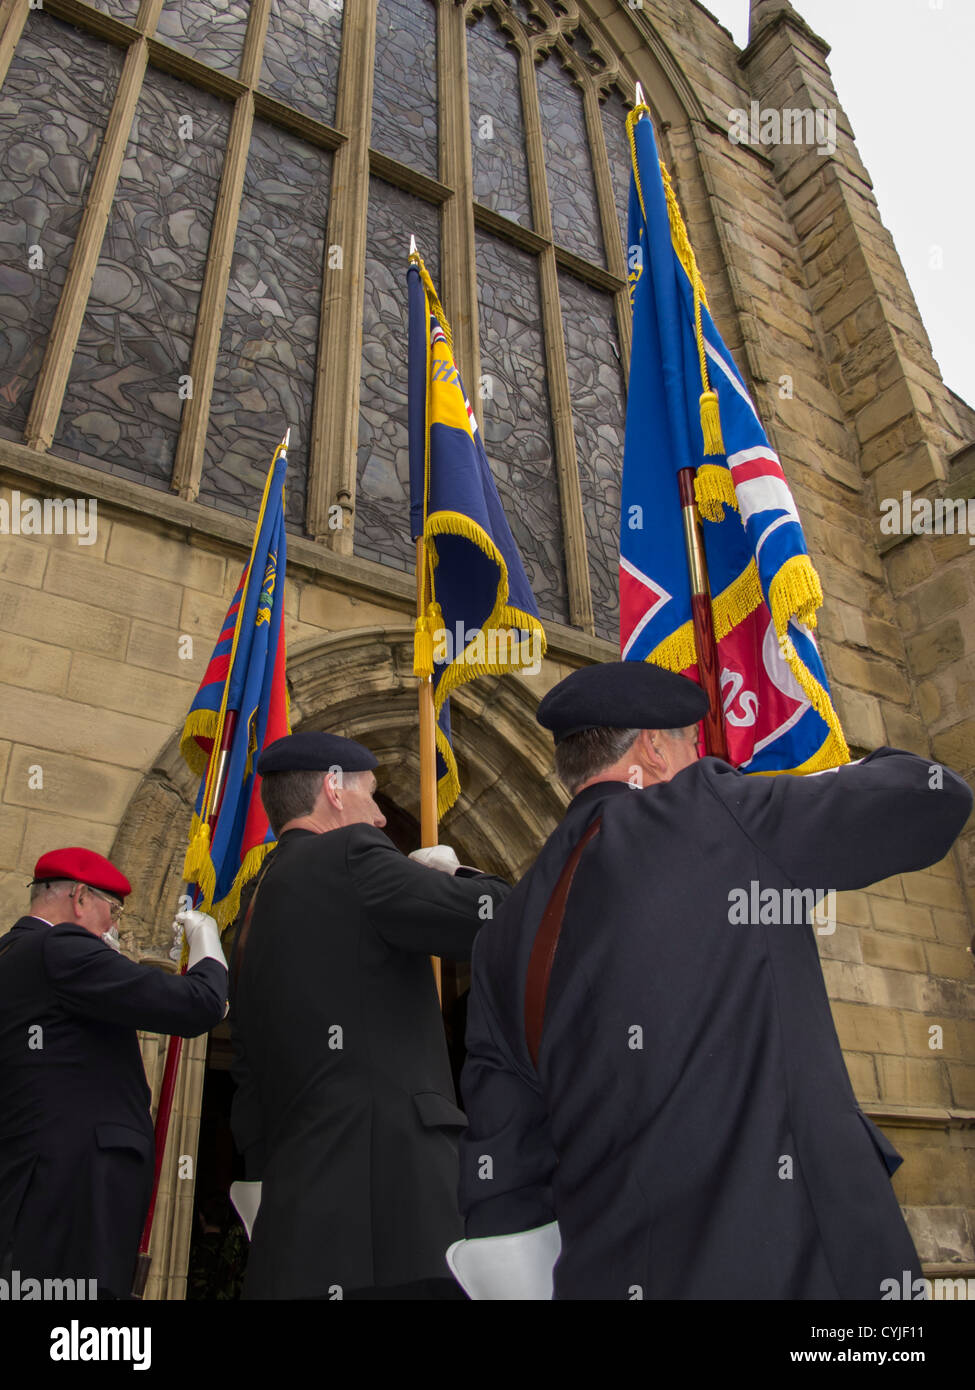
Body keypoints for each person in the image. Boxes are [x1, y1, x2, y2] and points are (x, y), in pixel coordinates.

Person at [453, 662, 974, 1300]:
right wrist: (830, 770)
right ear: (652, 745)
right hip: (800, 1270)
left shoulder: (505, 931)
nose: (700, 755)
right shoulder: (713, 814)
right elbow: (934, 795)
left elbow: (503, 1172)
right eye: (692, 742)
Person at [228, 730, 511, 1299]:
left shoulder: (253, 909)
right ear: (333, 788)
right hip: (395, 1222)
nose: (381, 818)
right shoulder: (351, 854)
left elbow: (249, 1084)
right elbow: (502, 919)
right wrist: (455, 875)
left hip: (298, 1231)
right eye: (372, 794)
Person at [0, 847, 227, 1298]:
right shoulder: (61, 947)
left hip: (37, 1180)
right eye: (114, 910)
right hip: (74, 1183)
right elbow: (194, 1006)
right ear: (80, 897)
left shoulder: (13, 950)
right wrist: (209, 951)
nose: (115, 926)